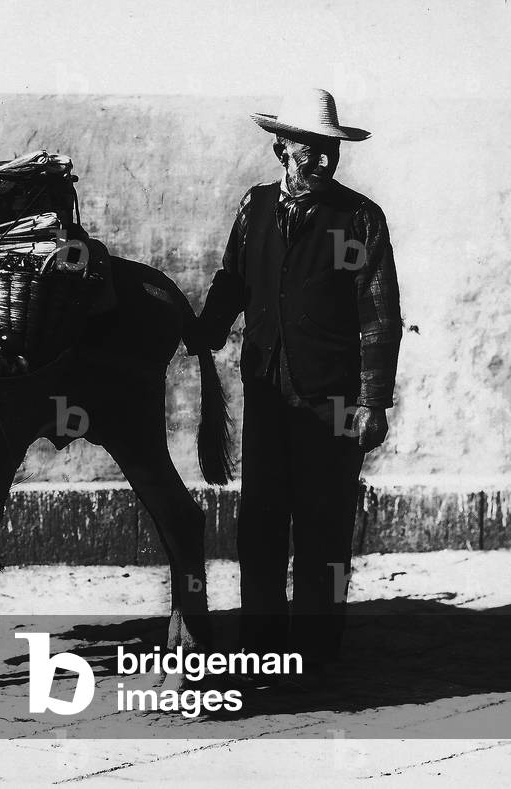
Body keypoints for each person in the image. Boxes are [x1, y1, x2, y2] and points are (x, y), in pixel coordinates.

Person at [190, 88, 402, 684]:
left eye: (328, 150)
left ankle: (315, 647)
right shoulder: (254, 208)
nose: (320, 161)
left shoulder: (358, 218)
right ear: (281, 148)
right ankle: (260, 642)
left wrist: (373, 402)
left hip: (332, 401)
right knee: (260, 517)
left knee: (323, 521)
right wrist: (205, 328)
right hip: (265, 390)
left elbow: (378, 315)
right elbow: (233, 280)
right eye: (307, 149)